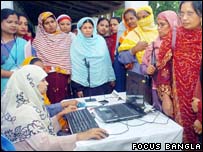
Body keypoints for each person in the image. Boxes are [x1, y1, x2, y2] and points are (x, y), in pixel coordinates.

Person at [1, 65, 108, 151]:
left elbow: (38, 130)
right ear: (30, 84)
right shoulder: (23, 112)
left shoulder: (24, 104)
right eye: (42, 80)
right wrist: (81, 136)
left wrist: (58, 117)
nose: (47, 83)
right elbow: (44, 145)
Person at [156, 1, 202, 143]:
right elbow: (163, 69)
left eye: (190, 13)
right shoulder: (174, 36)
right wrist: (166, 97)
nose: (184, 18)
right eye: (182, 13)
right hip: (179, 103)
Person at [22, 56, 79, 135]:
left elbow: (45, 109)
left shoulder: (35, 91)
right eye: (37, 71)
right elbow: (43, 132)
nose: (47, 83)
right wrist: (60, 115)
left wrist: (64, 106)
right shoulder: (25, 102)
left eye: (43, 69)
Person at [140, 10, 180, 111]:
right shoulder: (153, 45)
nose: (158, 28)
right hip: (156, 88)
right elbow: (142, 65)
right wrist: (146, 69)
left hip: (177, 90)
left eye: (162, 25)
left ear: (172, 24)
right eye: (158, 24)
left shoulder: (180, 44)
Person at [33, 11, 72, 104]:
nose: (51, 25)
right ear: (41, 26)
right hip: (46, 77)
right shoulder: (37, 41)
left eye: (52, 21)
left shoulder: (66, 38)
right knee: (48, 102)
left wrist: (70, 73)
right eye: (46, 23)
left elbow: (70, 57)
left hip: (64, 76)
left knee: (63, 101)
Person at [70, 17, 115, 98]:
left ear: (94, 28)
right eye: (85, 28)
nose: (88, 30)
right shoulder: (76, 43)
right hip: (84, 85)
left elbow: (106, 60)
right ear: (80, 29)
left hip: (102, 81)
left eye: (90, 27)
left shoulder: (100, 40)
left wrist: (111, 77)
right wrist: (78, 88)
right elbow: (76, 66)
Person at [1, 8, 34, 95]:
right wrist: (13, 74)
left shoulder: (24, 44)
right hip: (3, 87)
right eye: (9, 22)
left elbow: (31, 64)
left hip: (22, 86)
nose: (13, 25)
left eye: (16, 23)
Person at [113, 8, 137, 92]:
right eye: (126, 20)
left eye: (131, 18)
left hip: (138, 69)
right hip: (121, 67)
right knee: (122, 92)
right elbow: (119, 52)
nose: (129, 22)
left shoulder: (143, 33)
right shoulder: (124, 34)